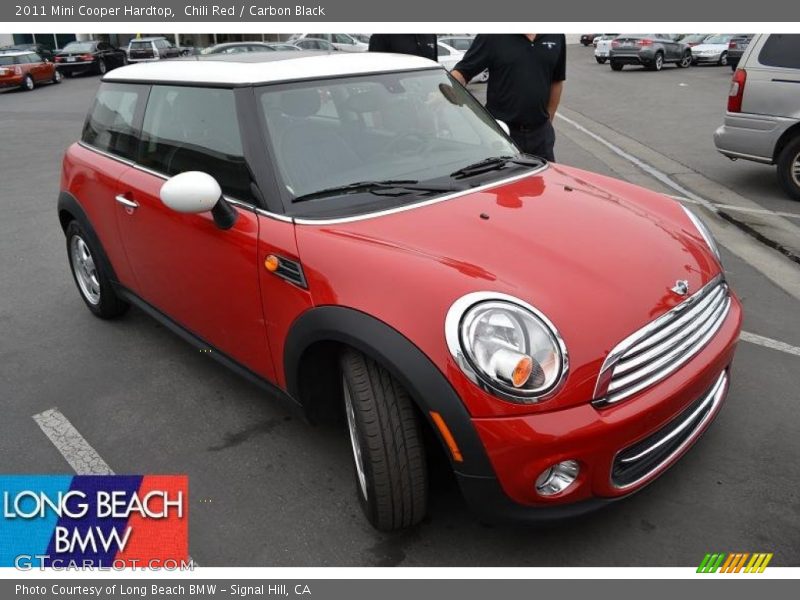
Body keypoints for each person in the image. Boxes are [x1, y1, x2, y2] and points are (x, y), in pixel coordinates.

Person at [451, 34, 566, 162]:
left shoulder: (556, 35)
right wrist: (440, 91)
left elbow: (557, 80)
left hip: (541, 137)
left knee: (543, 180)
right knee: (503, 181)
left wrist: (548, 123)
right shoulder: (492, 35)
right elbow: (462, 72)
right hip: (502, 136)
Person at [368, 34, 438, 61]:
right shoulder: (381, 35)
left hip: (428, 89)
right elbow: (375, 68)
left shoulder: (431, 35)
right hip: (395, 91)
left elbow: (435, 63)